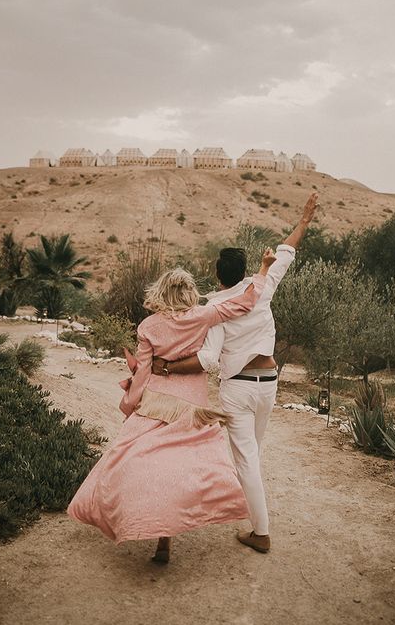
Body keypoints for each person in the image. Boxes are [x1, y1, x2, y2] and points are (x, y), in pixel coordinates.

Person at [67, 250, 277, 563]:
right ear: (190, 292)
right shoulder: (204, 315)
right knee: (180, 468)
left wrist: (130, 404)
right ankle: (175, 529)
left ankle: (146, 528)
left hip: (155, 402)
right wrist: (262, 272)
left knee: (136, 461)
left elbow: (143, 371)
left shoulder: (148, 326)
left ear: (162, 293)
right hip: (190, 405)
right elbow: (246, 302)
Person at [151, 193, 319, 554]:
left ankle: (260, 532)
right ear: (244, 271)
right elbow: (285, 252)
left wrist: (168, 366)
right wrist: (304, 221)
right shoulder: (262, 288)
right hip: (269, 385)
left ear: (217, 275)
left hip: (239, 390)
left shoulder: (215, 307)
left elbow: (209, 358)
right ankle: (248, 511)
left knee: (246, 459)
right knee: (253, 453)